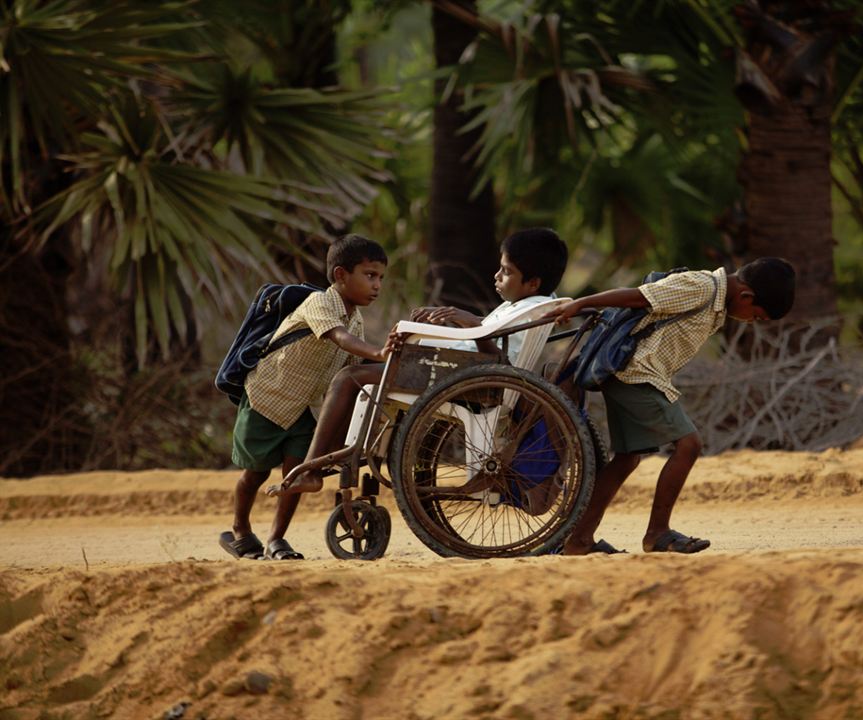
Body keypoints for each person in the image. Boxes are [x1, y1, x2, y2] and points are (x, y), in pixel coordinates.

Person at [266, 227, 569, 498]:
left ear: (532, 282)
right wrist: (461, 319)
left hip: (469, 378)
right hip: (465, 373)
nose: (497, 276)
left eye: (505, 271)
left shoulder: (528, 305)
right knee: (363, 377)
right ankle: (343, 452)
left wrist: (465, 323)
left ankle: (314, 467)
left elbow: (498, 356)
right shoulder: (536, 302)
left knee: (349, 377)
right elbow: (502, 334)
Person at [545, 257, 796, 555]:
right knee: (688, 445)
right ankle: (658, 533)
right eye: (756, 317)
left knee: (627, 458)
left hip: (637, 376)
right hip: (635, 374)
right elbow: (639, 296)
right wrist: (580, 303)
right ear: (746, 296)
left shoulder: (715, 301)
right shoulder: (701, 287)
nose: (752, 322)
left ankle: (579, 540)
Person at [219, 234, 396, 561]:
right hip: (266, 399)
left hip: (303, 408)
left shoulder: (355, 318)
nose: (377, 286)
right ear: (341, 275)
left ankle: (276, 540)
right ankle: (240, 529)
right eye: (370, 275)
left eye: (381, 278)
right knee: (254, 472)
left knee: (297, 472)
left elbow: (354, 366)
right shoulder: (319, 304)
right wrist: (379, 351)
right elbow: (338, 338)